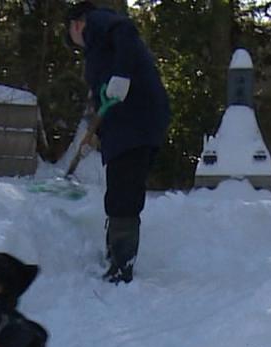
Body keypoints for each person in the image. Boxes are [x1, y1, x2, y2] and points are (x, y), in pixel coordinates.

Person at [65, 1, 171, 284]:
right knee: (121, 189)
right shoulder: (100, 49)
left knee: (124, 191)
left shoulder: (98, 21)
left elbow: (125, 29)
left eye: (72, 39)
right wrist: (97, 136)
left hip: (135, 124)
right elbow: (104, 99)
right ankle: (117, 256)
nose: (78, 45)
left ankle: (122, 264)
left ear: (76, 24)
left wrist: (122, 74)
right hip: (130, 125)